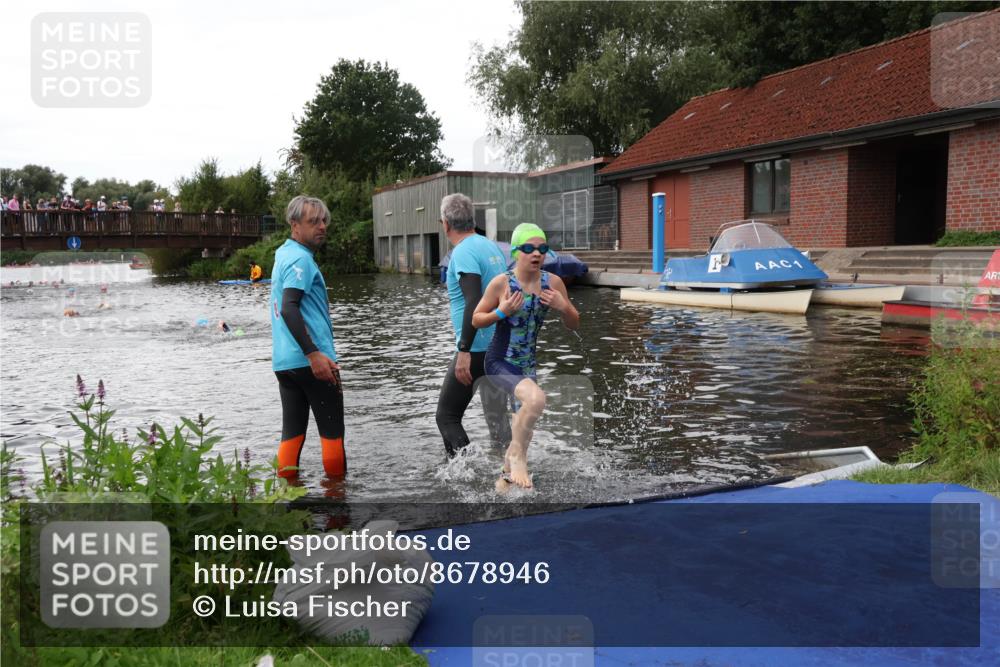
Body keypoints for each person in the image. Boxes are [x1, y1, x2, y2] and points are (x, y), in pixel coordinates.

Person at [473, 223, 580, 490]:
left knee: (525, 424)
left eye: (542, 249)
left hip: (528, 365)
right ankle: (517, 458)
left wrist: (563, 306)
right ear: (517, 251)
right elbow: (476, 319)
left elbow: (574, 323)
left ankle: (504, 482)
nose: (536, 254)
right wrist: (502, 312)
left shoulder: (552, 283)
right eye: (529, 248)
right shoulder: (502, 283)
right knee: (537, 399)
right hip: (500, 361)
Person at [270, 195, 344, 479]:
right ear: (294, 225)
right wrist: (314, 354)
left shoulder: (284, 254)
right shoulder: (301, 259)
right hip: (314, 361)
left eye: (324, 220)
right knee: (332, 435)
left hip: (284, 362)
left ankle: (287, 497)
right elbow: (289, 306)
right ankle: (338, 503)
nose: (322, 226)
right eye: (313, 221)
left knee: (292, 434)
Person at [435, 193, 512, 458]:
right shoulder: (490, 247)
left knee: (447, 416)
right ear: (472, 220)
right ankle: (507, 472)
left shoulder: (463, 252)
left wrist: (464, 350)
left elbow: (474, 302)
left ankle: (465, 473)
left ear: (445, 224)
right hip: (498, 346)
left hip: (476, 347)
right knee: (497, 418)